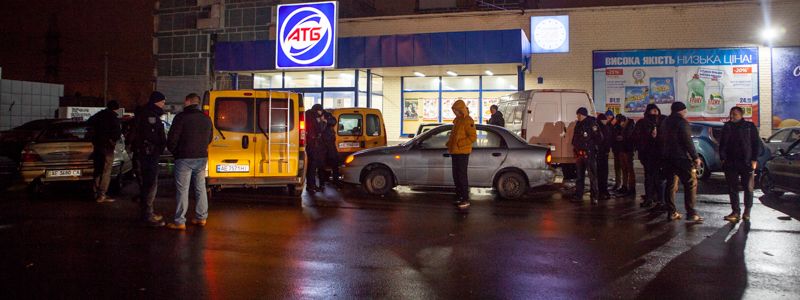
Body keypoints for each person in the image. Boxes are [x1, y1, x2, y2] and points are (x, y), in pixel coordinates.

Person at [165, 93, 213, 230]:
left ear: (187, 101)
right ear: (197, 103)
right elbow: (210, 137)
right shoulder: (206, 119)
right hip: (201, 157)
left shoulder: (181, 117)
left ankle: (180, 221)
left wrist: (175, 152)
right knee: (200, 188)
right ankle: (201, 217)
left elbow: (172, 138)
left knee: (182, 190)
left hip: (184, 157)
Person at [128, 91, 168, 227]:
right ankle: (148, 215)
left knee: (146, 185)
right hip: (148, 155)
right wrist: (160, 145)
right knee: (150, 185)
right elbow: (151, 136)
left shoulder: (143, 114)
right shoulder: (150, 116)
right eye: (163, 101)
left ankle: (146, 213)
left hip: (143, 154)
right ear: (156, 102)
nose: (164, 104)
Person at [660, 102, 703, 222]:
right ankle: (691, 213)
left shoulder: (665, 122)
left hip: (667, 158)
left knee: (671, 184)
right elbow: (687, 141)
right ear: (682, 111)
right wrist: (695, 157)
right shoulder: (682, 122)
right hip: (681, 158)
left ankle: (672, 212)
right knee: (690, 184)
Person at [719, 107, 760, 222]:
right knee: (732, 188)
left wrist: (754, 160)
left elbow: (755, 143)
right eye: (731, 114)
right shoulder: (727, 127)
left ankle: (747, 211)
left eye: (735, 114)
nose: (732, 116)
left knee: (748, 187)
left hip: (746, 162)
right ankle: (735, 211)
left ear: (741, 115)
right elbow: (722, 144)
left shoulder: (749, 126)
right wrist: (722, 158)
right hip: (730, 162)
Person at [86, 100, 122, 203]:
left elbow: (89, 123)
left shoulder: (99, 115)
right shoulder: (114, 118)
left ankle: (95, 192)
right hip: (107, 148)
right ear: (116, 108)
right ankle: (102, 194)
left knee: (97, 170)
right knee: (106, 171)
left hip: (97, 146)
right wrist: (112, 140)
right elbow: (117, 133)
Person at [446, 100, 477, 210]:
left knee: (462, 176)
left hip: (463, 153)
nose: (454, 112)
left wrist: (459, 143)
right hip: (455, 152)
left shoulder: (468, 120)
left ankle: (465, 199)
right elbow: (454, 135)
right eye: (453, 110)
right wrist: (450, 143)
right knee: (456, 175)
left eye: (455, 110)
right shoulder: (457, 120)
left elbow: (472, 137)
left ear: (460, 109)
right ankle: (459, 196)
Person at [634, 104, 666, 209]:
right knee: (649, 178)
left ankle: (660, 200)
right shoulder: (642, 123)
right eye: (652, 111)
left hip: (658, 155)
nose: (655, 113)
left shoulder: (662, 122)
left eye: (656, 110)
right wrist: (650, 136)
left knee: (658, 179)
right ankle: (649, 198)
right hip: (647, 155)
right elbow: (638, 138)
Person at [572, 107, 603, 204]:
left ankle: (594, 197)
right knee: (579, 176)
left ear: (583, 115)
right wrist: (575, 147)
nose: (578, 116)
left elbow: (599, 137)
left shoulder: (592, 123)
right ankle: (578, 195)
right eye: (577, 114)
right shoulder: (578, 124)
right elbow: (575, 138)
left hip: (589, 153)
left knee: (592, 176)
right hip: (579, 154)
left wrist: (591, 147)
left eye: (579, 115)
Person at [612, 114, 636, 196]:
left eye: (622, 122)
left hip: (628, 150)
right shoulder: (622, 126)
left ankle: (631, 187)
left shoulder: (631, 125)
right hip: (621, 149)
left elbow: (630, 137)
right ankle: (624, 186)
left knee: (629, 169)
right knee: (624, 169)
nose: (621, 124)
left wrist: (623, 138)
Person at [305, 104, 326, 193]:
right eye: (321, 111)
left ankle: (310, 185)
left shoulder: (307, 114)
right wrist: (323, 121)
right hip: (313, 144)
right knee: (312, 166)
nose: (321, 113)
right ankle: (312, 186)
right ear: (318, 110)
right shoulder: (315, 117)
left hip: (309, 143)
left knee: (310, 166)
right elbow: (320, 129)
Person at [318, 109, 341, 188]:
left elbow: (334, 121)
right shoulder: (316, 117)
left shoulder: (327, 115)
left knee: (335, 163)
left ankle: (336, 181)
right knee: (321, 164)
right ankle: (322, 183)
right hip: (322, 144)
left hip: (331, 144)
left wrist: (325, 120)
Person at [596, 113, 613, 200]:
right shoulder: (605, 128)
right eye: (605, 120)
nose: (606, 121)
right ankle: (603, 190)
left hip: (599, 153)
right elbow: (607, 141)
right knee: (603, 173)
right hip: (603, 154)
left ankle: (601, 190)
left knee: (600, 173)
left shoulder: (598, 128)